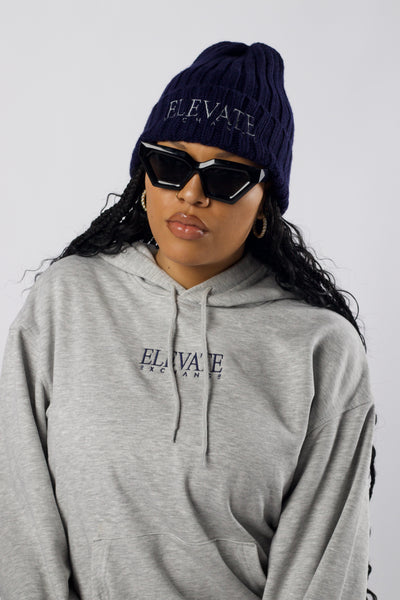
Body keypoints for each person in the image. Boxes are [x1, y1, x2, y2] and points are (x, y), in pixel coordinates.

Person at [0, 41, 377, 600]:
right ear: (144, 176)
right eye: (171, 165)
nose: (192, 193)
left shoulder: (321, 348)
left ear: (264, 202)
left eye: (225, 178)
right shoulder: (67, 300)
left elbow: (324, 568)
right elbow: (17, 512)